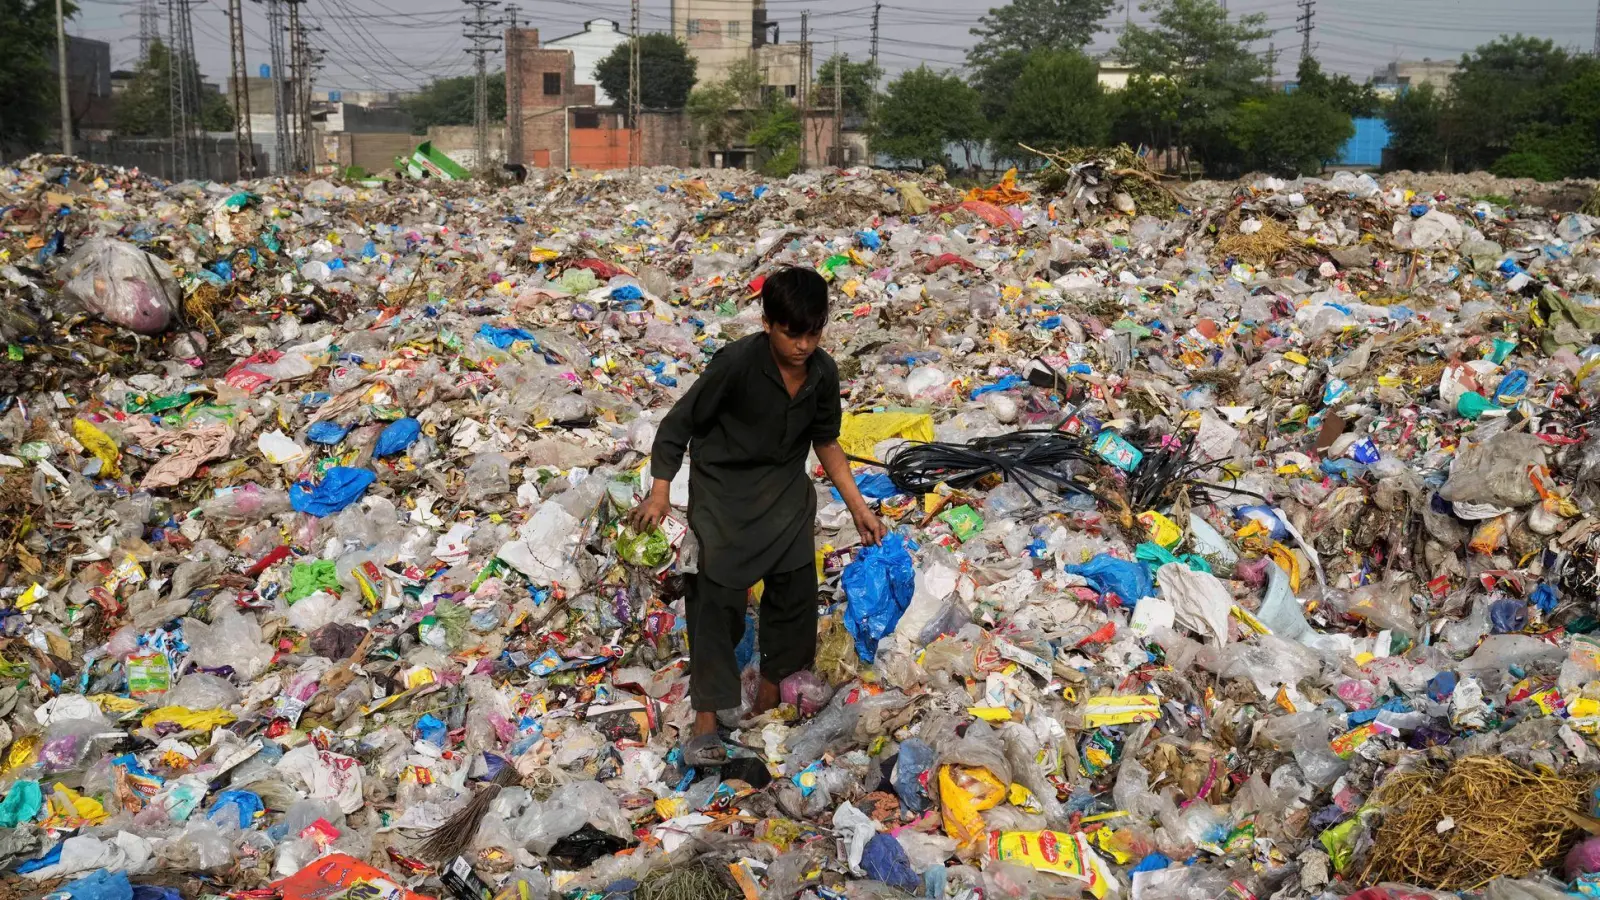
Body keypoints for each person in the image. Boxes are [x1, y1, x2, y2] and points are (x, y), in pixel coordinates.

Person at [629, 266, 888, 767]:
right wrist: (660, 493)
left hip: (786, 498)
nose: (804, 345)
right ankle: (706, 720)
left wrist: (859, 509)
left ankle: (769, 702)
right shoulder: (736, 365)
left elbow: (826, 441)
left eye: (814, 333)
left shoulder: (822, 373)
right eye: (793, 333)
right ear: (768, 322)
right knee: (716, 606)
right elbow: (676, 426)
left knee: (793, 600)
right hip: (725, 498)